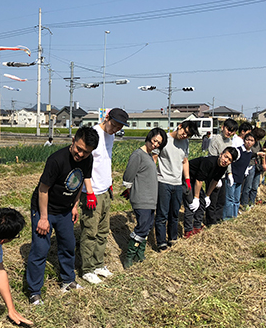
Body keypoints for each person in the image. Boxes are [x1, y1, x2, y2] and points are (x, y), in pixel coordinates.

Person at [26, 126, 99, 305]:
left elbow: (79, 182)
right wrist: (43, 218)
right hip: (45, 208)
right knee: (40, 249)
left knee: (68, 244)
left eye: (86, 152)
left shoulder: (87, 160)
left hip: (65, 209)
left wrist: (74, 206)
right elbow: (43, 190)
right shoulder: (56, 160)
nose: (80, 154)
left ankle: (67, 281)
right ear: (73, 141)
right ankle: (34, 292)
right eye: (78, 149)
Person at [79, 108, 129, 284]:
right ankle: (86, 269)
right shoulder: (93, 134)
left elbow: (105, 160)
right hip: (92, 192)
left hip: (105, 190)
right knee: (89, 231)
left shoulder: (111, 136)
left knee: (102, 231)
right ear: (106, 118)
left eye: (118, 128)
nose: (114, 129)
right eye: (113, 125)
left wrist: (109, 183)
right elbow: (84, 165)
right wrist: (89, 192)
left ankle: (98, 263)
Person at [121, 127, 168, 268]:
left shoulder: (149, 155)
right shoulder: (138, 155)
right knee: (142, 227)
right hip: (141, 198)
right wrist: (130, 190)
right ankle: (129, 255)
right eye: (155, 141)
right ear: (149, 137)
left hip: (151, 198)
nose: (155, 145)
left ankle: (139, 253)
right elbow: (128, 176)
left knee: (147, 227)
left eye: (159, 144)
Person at [154, 121, 199, 251]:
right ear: (179, 126)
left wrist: (187, 179)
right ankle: (161, 242)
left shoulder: (185, 143)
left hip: (178, 183)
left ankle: (172, 239)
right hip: (163, 181)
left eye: (188, 135)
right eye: (184, 132)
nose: (184, 136)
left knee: (174, 213)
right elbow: (154, 157)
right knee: (162, 214)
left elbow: (185, 161)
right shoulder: (164, 139)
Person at [183, 147, 238, 237]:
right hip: (187, 178)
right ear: (221, 154)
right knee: (191, 203)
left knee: (202, 203)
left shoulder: (223, 167)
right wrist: (196, 197)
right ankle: (188, 231)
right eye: (225, 156)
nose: (225, 160)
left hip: (196, 180)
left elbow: (215, 181)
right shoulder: (209, 162)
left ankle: (196, 227)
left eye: (229, 160)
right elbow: (199, 180)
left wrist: (207, 195)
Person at [206, 118, 238, 226]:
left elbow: (229, 160)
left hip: (223, 174)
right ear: (223, 127)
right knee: (212, 200)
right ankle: (210, 222)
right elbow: (213, 159)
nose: (230, 132)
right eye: (229, 129)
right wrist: (216, 177)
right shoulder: (216, 140)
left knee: (221, 200)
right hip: (214, 174)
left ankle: (218, 219)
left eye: (233, 131)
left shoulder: (229, 141)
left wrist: (229, 173)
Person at [223, 133, 255, 220]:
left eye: (251, 141)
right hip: (232, 177)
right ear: (244, 140)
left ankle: (234, 216)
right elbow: (230, 162)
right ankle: (227, 218)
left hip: (240, 178)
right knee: (230, 198)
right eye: (247, 139)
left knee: (237, 199)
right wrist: (229, 174)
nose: (249, 142)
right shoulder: (238, 151)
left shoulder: (250, 153)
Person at [240, 127, 266, 208]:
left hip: (257, 165)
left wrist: (263, 162)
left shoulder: (258, 143)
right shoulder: (248, 143)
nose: (258, 140)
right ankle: (244, 204)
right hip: (249, 166)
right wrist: (257, 154)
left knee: (255, 186)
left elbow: (261, 151)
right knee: (247, 186)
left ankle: (251, 203)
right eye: (257, 138)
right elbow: (247, 154)